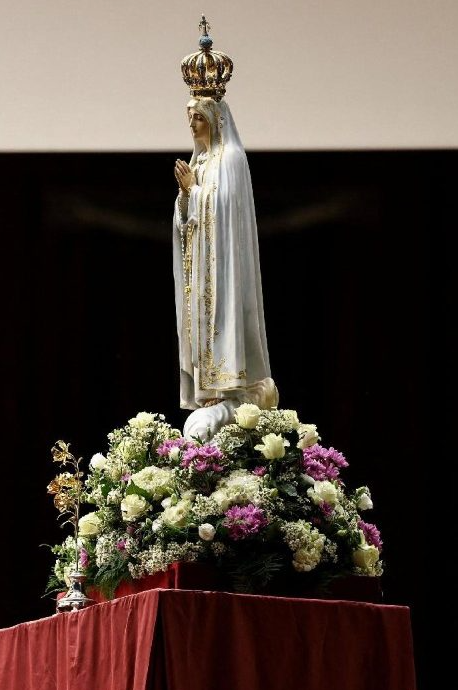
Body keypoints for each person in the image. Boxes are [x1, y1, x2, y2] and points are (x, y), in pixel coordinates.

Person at [172, 25, 278, 441]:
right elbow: (186, 222)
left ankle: (231, 389)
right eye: (191, 118)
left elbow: (226, 214)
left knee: (224, 322)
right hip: (201, 270)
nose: (194, 125)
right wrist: (186, 198)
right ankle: (210, 394)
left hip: (223, 269)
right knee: (200, 324)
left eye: (199, 118)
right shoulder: (199, 162)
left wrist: (194, 193)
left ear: (216, 120)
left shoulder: (230, 158)